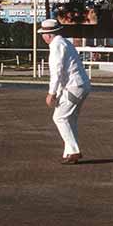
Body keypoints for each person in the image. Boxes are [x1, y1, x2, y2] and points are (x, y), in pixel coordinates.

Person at [39, 18, 91, 164]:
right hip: (80, 86)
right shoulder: (65, 43)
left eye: (43, 34)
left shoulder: (56, 46)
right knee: (69, 118)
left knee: (60, 118)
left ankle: (74, 151)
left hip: (74, 87)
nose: (42, 37)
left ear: (48, 35)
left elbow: (57, 71)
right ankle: (69, 152)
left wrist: (52, 92)